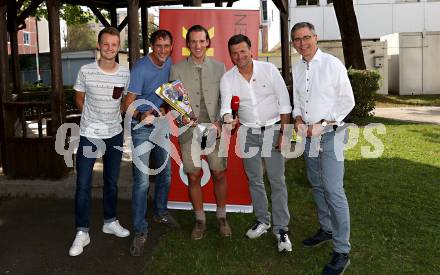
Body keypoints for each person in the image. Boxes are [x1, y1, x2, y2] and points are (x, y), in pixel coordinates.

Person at [291, 22, 355, 274]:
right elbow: (298, 101)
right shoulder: (298, 68)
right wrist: (297, 119)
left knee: (333, 190)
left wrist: (324, 122)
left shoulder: (332, 64)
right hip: (308, 136)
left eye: (306, 37)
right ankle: (327, 229)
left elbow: (347, 100)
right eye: (297, 39)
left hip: (330, 134)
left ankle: (342, 250)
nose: (302, 43)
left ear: (316, 38)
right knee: (317, 185)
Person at [220, 34, 292, 252]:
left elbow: (285, 103)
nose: (239, 56)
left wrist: (285, 134)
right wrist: (227, 119)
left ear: (251, 50)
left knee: (277, 180)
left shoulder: (269, 70)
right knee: (254, 179)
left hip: (273, 129)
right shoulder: (228, 78)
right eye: (234, 53)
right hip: (247, 132)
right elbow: (225, 107)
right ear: (230, 55)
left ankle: (281, 229)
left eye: (243, 51)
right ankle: (263, 220)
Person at [69, 27, 130, 257]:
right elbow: (79, 98)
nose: (110, 48)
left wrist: (116, 118)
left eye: (114, 45)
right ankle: (82, 231)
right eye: (106, 44)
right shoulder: (85, 71)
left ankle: (110, 221)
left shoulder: (125, 73)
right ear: (99, 45)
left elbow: (125, 100)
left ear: (118, 47)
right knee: (83, 184)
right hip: (89, 134)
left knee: (111, 182)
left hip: (114, 134)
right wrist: (93, 122)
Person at [170, 24, 231, 240]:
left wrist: (221, 124)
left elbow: (226, 99)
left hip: (215, 128)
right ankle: (200, 220)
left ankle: (222, 217)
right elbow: (174, 102)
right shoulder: (176, 69)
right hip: (190, 131)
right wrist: (182, 117)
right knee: (194, 176)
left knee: (219, 173)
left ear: (208, 43)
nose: (197, 45)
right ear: (188, 44)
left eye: (201, 41)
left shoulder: (220, 67)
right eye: (193, 41)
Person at [122, 29, 180, 257]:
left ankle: (160, 212)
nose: (163, 50)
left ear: (171, 47)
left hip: (161, 126)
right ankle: (140, 229)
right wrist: (140, 116)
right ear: (152, 46)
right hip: (141, 128)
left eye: (167, 46)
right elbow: (126, 105)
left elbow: (168, 95)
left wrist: (164, 109)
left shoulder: (170, 64)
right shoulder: (140, 68)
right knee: (142, 182)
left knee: (166, 174)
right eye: (159, 46)